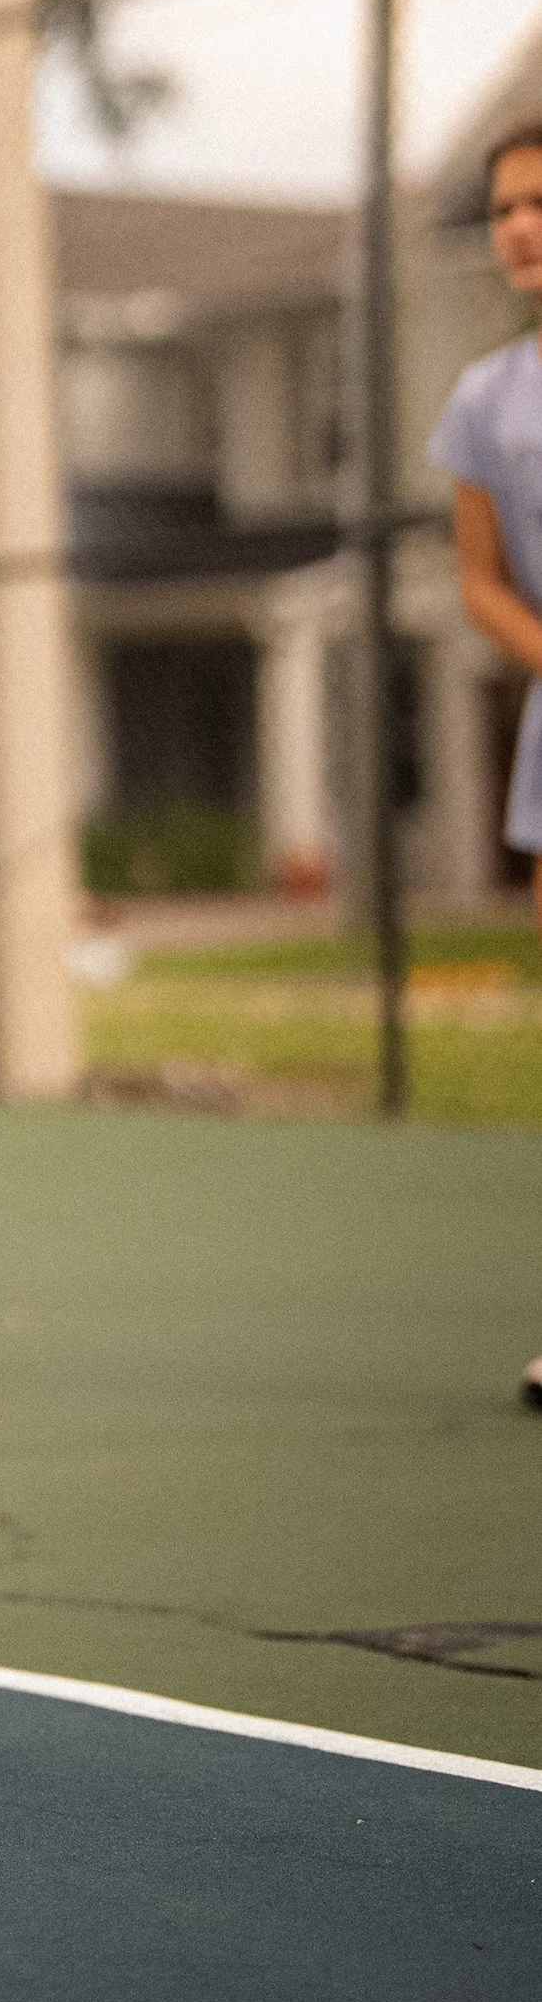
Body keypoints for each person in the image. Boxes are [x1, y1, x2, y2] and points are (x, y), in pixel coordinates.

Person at [428, 115, 542, 1411]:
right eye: (505, 206)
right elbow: (481, 585)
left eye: (540, 201)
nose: (519, 224)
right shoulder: (484, 404)